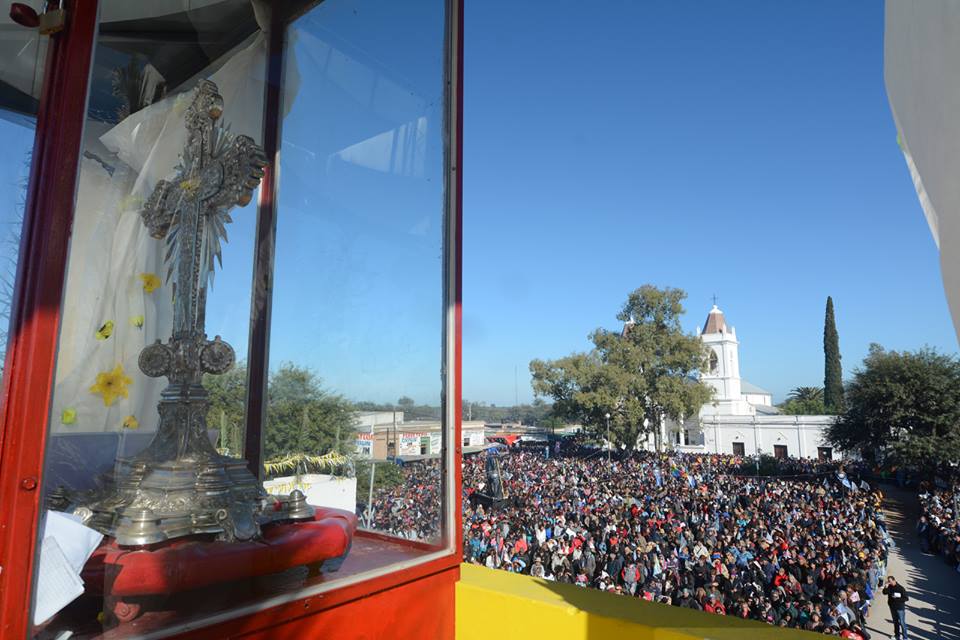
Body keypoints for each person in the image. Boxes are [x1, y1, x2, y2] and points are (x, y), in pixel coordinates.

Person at [881, 576, 909, 640]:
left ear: (894, 580)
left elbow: (906, 598)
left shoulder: (900, 588)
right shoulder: (889, 587)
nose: (889, 583)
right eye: (888, 581)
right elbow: (884, 593)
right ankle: (897, 636)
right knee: (895, 622)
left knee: (902, 623)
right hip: (892, 607)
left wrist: (897, 598)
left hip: (900, 608)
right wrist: (886, 587)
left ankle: (905, 638)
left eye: (890, 581)